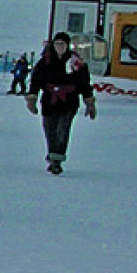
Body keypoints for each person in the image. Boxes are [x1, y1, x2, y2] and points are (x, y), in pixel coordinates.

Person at [26, 32, 97, 175]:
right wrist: (32, 99)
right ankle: (52, 155)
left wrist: (89, 102)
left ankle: (57, 160)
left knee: (62, 130)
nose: (59, 46)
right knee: (50, 130)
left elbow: (84, 83)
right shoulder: (45, 61)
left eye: (62, 44)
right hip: (49, 101)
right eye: (57, 43)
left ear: (67, 45)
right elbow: (36, 81)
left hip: (68, 102)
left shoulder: (76, 63)